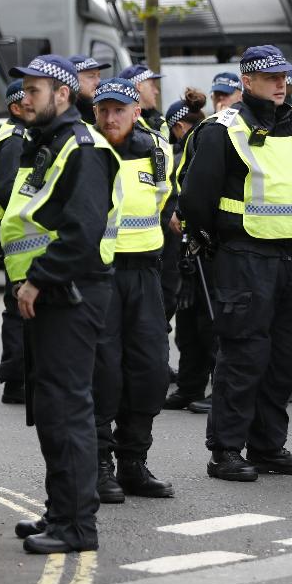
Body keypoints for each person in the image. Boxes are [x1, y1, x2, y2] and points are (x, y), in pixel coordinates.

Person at [180, 45, 292, 482]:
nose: (282, 84)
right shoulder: (222, 129)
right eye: (271, 77)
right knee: (243, 355)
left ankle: (268, 446)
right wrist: (217, 242)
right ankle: (225, 450)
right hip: (244, 255)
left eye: (286, 76)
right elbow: (196, 198)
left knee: (285, 358)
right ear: (247, 81)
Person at [0, 56, 122, 554]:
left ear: (64, 95)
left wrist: (38, 280)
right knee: (51, 410)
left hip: (69, 294)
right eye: (24, 90)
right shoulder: (48, 145)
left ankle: (76, 527)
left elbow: (81, 232)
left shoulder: (82, 149)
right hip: (51, 294)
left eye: (34, 91)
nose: (24, 99)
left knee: (68, 411)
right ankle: (61, 511)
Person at [91, 77, 177, 504]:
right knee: (102, 372)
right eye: (103, 109)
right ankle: (100, 466)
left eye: (118, 109)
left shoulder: (158, 149)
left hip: (144, 274)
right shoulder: (83, 150)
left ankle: (133, 463)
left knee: (149, 370)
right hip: (99, 275)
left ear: (136, 111)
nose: (110, 117)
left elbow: (163, 202)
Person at [161, 90, 216, 413]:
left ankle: (207, 388)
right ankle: (189, 387)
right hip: (189, 250)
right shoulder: (193, 149)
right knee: (190, 323)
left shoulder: (195, 150)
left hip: (202, 245)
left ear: (179, 126)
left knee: (207, 324)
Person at [0, 79, 29, 404]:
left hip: (15, 230)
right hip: (15, 231)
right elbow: (6, 188)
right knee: (18, 305)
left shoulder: (21, 135)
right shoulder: (15, 140)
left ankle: (20, 376)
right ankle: (16, 380)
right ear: (16, 107)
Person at [119, 63, 170, 140]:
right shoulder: (127, 125)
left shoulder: (156, 119)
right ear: (139, 86)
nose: (156, 91)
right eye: (152, 85)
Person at [73, 55, 113, 124]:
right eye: (91, 76)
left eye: (98, 76)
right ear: (73, 80)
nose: (98, 82)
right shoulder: (64, 119)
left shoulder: (103, 112)